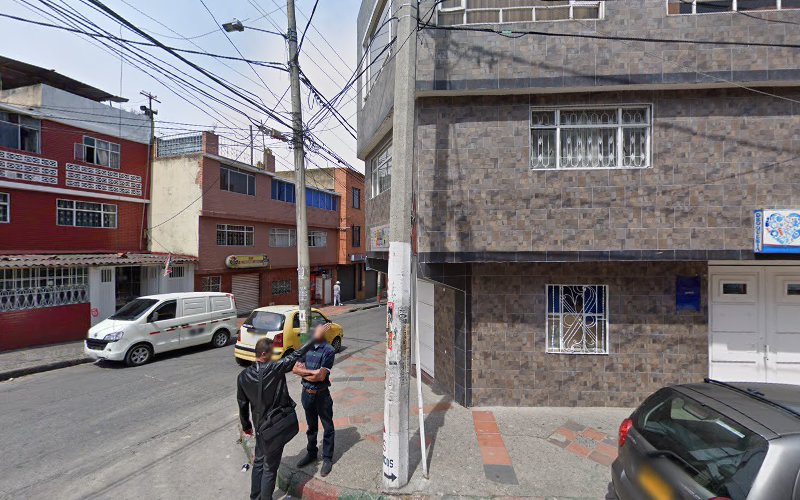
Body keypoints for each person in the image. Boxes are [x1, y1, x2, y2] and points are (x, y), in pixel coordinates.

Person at [237, 336, 314, 500]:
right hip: (274, 426)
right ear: (263, 354)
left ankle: (255, 497)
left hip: (260, 428)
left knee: (259, 462)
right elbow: (296, 354)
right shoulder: (274, 368)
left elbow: (242, 405)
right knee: (270, 468)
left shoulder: (243, 377)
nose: (274, 356)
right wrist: (315, 338)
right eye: (271, 353)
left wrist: (246, 426)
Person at [292, 322, 336, 476]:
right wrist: (312, 373)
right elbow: (294, 369)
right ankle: (311, 453)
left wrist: (304, 372)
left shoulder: (329, 350)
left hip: (322, 395)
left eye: (317, 330)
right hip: (306, 393)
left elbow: (321, 376)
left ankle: (328, 458)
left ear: (323, 332)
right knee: (311, 427)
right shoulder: (307, 347)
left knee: (328, 427)